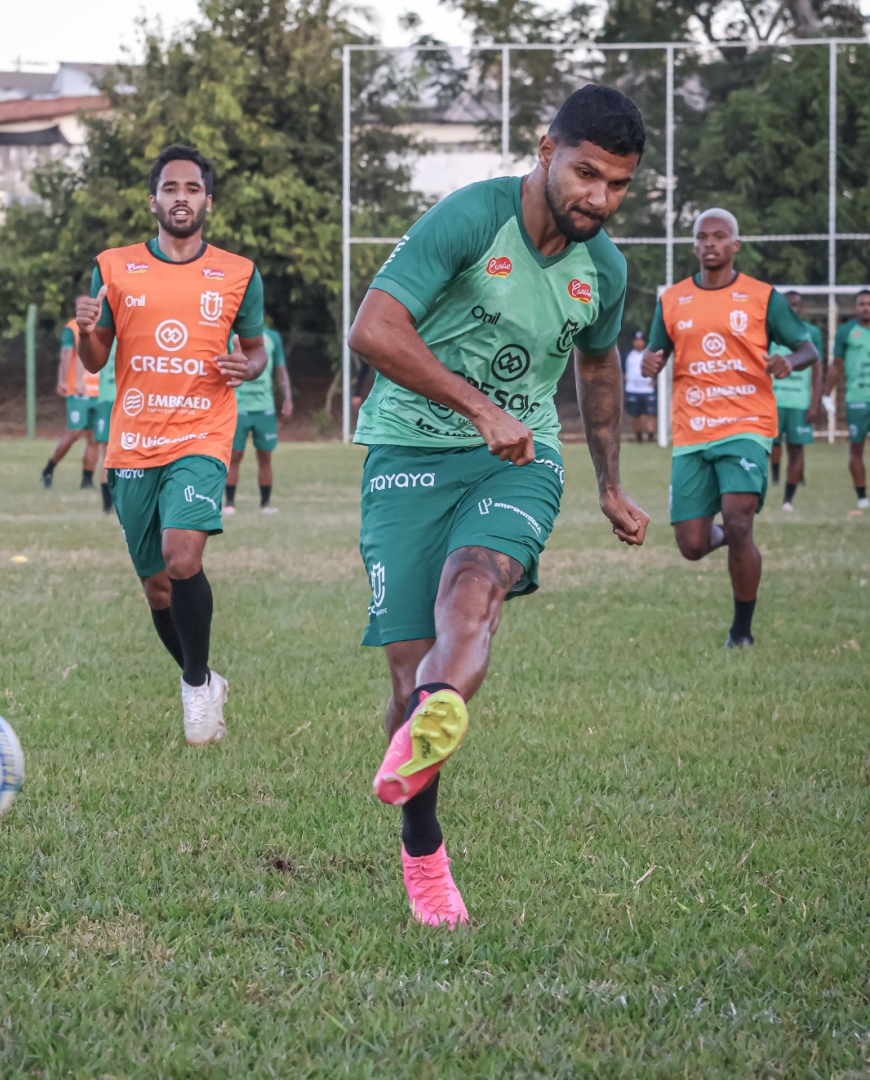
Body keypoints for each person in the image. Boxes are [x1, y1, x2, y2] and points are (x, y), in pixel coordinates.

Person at [347, 85, 650, 927]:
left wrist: (608, 484)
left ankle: (439, 712)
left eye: (618, 185)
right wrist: (477, 407)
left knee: (475, 586)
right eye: (587, 173)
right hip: (409, 449)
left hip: (519, 462)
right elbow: (371, 329)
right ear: (546, 148)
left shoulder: (606, 270)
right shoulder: (472, 219)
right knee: (407, 668)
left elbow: (594, 372)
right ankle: (424, 839)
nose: (598, 199)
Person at [75, 145, 268, 744]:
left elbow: (256, 347)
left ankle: (192, 692)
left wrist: (249, 366)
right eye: (170, 188)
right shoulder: (112, 267)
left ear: (208, 200)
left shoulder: (239, 272)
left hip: (203, 432)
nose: (180, 197)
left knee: (184, 557)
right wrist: (85, 330)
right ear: (152, 199)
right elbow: (96, 357)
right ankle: (204, 677)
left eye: (192, 188)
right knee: (158, 586)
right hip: (133, 441)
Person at [642, 208, 817, 647]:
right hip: (691, 430)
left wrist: (789, 361)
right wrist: (650, 362)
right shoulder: (672, 300)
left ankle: (741, 632)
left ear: (735, 244)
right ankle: (720, 539)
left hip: (746, 424)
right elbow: (657, 355)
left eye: (719, 237)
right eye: (702, 237)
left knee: (739, 522)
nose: (710, 244)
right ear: (694, 245)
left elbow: (807, 347)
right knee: (692, 544)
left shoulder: (763, 297)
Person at [224, 322, 293, 514]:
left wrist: (288, 398)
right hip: (238, 406)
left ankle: (266, 504)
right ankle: (229, 504)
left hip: (264, 407)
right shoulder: (230, 336)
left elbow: (281, 370)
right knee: (234, 455)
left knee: (265, 456)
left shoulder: (272, 338)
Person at [768, 291, 824, 510]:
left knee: (796, 449)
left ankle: (788, 499)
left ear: (802, 308)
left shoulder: (811, 333)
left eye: (796, 306)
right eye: (789, 305)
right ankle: (771, 479)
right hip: (773, 400)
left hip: (800, 402)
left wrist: (815, 402)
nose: (793, 309)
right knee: (770, 446)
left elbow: (818, 369)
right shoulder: (771, 331)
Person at [41, 306, 103, 490]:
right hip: (78, 391)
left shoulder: (106, 327)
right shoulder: (73, 328)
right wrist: (65, 380)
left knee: (95, 439)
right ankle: (49, 467)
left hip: (99, 392)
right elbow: (67, 355)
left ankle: (87, 480)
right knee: (74, 432)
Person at [825, 289, 870, 509]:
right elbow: (836, 366)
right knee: (856, 448)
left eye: (869, 303)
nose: (865, 307)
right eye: (861, 303)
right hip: (857, 398)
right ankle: (862, 497)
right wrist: (826, 394)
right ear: (855, 306)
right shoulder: (846, 331)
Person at [93, 340, 117, 513]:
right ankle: (110, 504)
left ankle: (107, 505)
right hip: (125, 396)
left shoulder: (103, 334)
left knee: (105, 453)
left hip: (108, 396)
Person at [622, 330, 656, 442]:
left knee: (650, 413)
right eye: (636, 340)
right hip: (633, 389)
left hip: (648, 389)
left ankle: (651, 436)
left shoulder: (650, 354)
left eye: (640, 340)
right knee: (635, 414)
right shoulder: (628, 355)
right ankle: (638, 437)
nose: (638, 343)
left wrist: (655, 380)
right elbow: (621, 368)